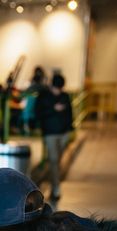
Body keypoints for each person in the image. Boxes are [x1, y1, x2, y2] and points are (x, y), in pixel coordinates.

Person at [36, 73, 73, 201]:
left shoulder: (65, 96)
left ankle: (54, 186)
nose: (58, 91)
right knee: (53, 160)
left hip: (64, 132)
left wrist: (70, 129)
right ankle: (56, 188)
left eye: (60, 89)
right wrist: (54, 109)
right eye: (57, 88)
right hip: (50, 133)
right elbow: (38, 113)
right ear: (52, 86)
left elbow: (70, 112)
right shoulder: (43, 96)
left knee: (57, 161)